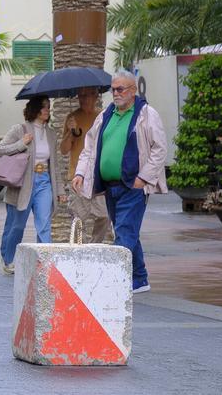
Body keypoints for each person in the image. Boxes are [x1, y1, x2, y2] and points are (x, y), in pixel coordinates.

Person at [73, 70, 167, 294]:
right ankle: (140, 278)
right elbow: (89, 148)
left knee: (125, 233)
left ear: (133, 91)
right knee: (127, 231)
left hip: (133, 186)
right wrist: (80, 173)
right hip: (110, 187)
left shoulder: (146, 114)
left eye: (120, 89)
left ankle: (117, 281)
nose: (115, 93)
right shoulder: (106, 114)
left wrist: (143, 178)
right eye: (113, 89)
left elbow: (159, 149)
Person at [0, 96, 66, 275]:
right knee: (16, 225)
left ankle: (44, 261)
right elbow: (0, 149)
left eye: (48, 107)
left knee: (44, 224)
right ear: (34, 109)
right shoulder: (20, 129)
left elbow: (55, 165)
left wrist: (60, 190)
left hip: (44, 182)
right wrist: (21, 143)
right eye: (43, 107)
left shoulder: (50, 134)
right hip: (23, 183)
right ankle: (8, 259)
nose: (47, 110)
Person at [60, 87, 113, 243]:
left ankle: (94, 246)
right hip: (77, 176)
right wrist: (70, 131)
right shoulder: (72, 118)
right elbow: (63, 150)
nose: (82, 99)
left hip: (98, 176)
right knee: (78, 217)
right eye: (80, 95)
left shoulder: (103, 117)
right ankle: (78, 249)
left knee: (104, 215)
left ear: (95, 96)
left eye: (86, 95)